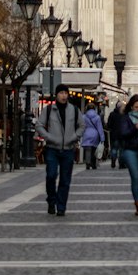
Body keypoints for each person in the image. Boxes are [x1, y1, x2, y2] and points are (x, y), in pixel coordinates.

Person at [36, 85, 83, 216]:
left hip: (68, 149)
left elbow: (82, 125)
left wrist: (74, 137)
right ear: (56, 95)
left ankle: (61, 206)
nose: (63, 95)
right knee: (51, 175)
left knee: (65, 180)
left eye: (65, 93)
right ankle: (51, 200)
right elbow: (39, 125)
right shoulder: (49, 109)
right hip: (52, 148)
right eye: (61, 93)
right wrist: (48, 137)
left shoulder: (74, 110)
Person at [81, 104, 105, 170]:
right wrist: (102, 138)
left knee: (87, 150)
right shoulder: (97, 117)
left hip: (86, 133)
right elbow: (100, 128)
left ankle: (87, 163)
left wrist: (80, 135)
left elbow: (82, 127)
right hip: (95, 134)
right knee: (94, 150)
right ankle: (93, 164)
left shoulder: (84, 117)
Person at [108, 99, 126, 168]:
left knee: (114, 149)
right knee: (121, 149)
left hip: (114, 134)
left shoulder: (112, 114)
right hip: (122, 134)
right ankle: (121, 164)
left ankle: (113, 161)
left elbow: (109, 124)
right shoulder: (124, 114)